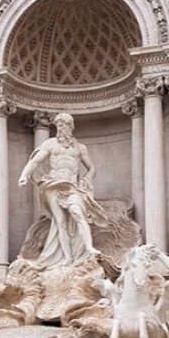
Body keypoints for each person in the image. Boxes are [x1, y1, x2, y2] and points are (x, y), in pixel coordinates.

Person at [18, 112, 108, 268]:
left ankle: (89, 248)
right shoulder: (50, 144)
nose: (61, 127)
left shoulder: (80, 148)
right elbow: (35, 161)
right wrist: (24, 175)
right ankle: (67, 258)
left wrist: (87, 178)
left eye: (64, 124)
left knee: (78, 213)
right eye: (59, 124)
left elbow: (91, 168)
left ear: (71, 127)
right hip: (53, 184)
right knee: (60, 222)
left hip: (72, 185)